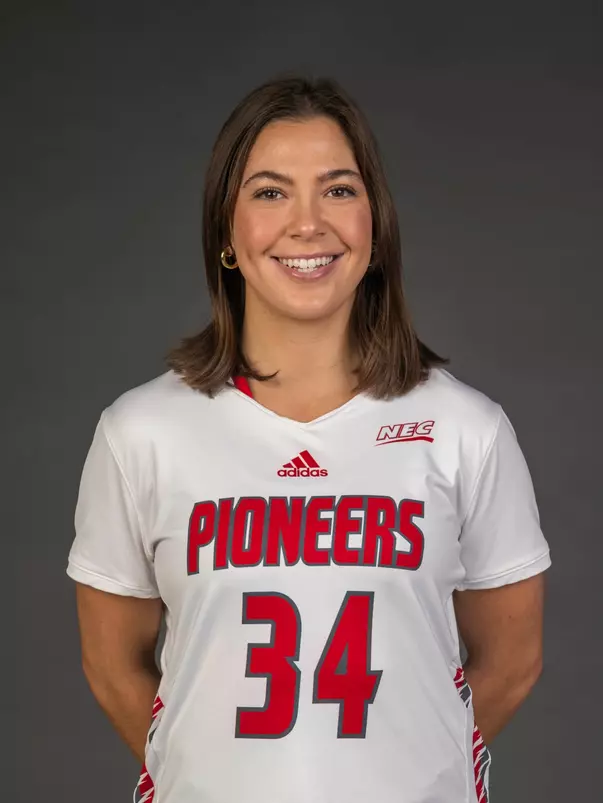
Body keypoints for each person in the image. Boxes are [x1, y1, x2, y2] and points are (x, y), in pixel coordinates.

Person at [67, 75, 551, 803]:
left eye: (337, 189)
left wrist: (406, 774)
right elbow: (112, 665)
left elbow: (511, 662)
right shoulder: (141, 432)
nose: (307, 223)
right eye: (268, 192)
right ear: (226, 233)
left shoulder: (464, 429)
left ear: (373, 225)